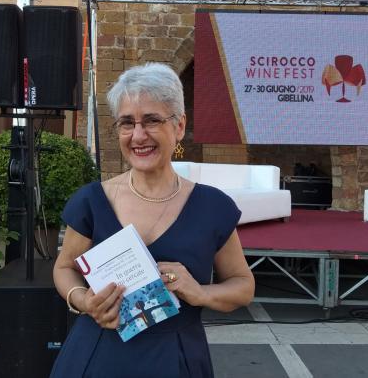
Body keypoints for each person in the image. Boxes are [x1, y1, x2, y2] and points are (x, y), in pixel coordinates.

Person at [50, 62, 255, 378]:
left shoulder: (213, 207)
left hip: (176, 358)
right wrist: (83, 300)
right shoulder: (91, 201)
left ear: (179, 126)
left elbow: (243, 285)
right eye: (126, 123)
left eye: (152, 120)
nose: (138, 135)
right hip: (96, 355)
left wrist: (199, 292)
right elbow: (64, 268)